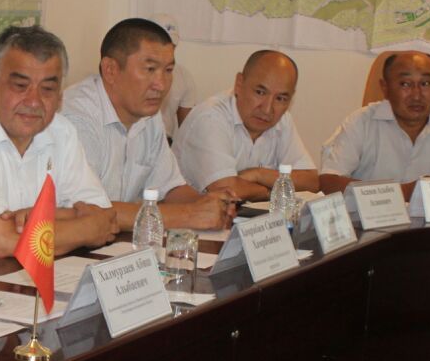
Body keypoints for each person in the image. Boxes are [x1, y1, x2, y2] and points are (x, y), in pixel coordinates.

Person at [0, 25, 118, 259]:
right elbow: (1, 243)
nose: (34, 101)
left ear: (60, 97)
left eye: (48, 89)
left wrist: (37, 216)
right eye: (20, 86)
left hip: (46, 271)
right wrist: (85, 228)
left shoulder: (61, 130)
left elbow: (105, 218)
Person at [62, 18, 235, 229]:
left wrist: (210, 205)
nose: (161, 85)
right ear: (110, 70)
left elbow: (169, 188)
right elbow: (89, 211)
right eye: (150, 69)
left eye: (168, 70)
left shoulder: (149, 115)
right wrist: (190, 214)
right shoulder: (76, 118)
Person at [319, 50, 430, 197]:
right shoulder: (361, 122)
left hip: (428, 225)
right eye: (405, 84)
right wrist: (404, 192)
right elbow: (329, 181)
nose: (416, 95)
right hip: (371, 223)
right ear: (385, 87)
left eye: (425, 84)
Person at [172, 50, 319, 199]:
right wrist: (275, 190)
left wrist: (259, 174)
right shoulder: (210, 118)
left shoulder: (283, 120)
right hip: (189, 212)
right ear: (239, 84)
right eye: (260, 92)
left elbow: (311, 181)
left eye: (280, 98)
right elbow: (227, 190)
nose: (267, 109)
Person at [154, 14, 198, 136]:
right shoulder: (134, 72)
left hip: (165, 141)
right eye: (161, 42)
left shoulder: (184, 77)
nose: (167, 48)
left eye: (171, 44)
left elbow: (187, 130)